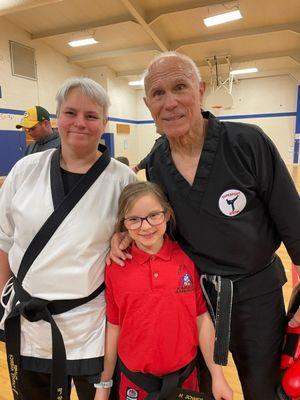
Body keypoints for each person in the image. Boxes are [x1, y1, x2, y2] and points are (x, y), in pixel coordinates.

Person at [109, 52, 300, 400]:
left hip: (256, 295)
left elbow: (294, 222)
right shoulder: (157, 163)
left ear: (201, 89)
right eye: (157, 93)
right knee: (198, 391)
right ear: (147, 103)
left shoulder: (248, 142)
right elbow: (153, 220)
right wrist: (121, 236)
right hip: (192, 298)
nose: (170, 103)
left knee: (264, 390)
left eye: (180, 87)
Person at [0, 77, 136, 400]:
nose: (80, 123)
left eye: (91, 116)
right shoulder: (24, 171)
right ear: (57, 116)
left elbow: (141, 241)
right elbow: (4, 242)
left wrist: (125, 240)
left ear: (105, 123)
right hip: (29, 323)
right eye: (70, 112)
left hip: (92, 326)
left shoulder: (123, 180)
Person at [95, 181, 232, 400]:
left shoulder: (187, 260)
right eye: (134, 220)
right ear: (124, 223)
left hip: (184, 380)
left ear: (167, 215)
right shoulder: (116, 267)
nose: (146, 226)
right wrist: (103, 386)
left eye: (154, 215)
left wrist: (218, 375)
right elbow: (113, 327)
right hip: (136, 384)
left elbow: (202, 318)